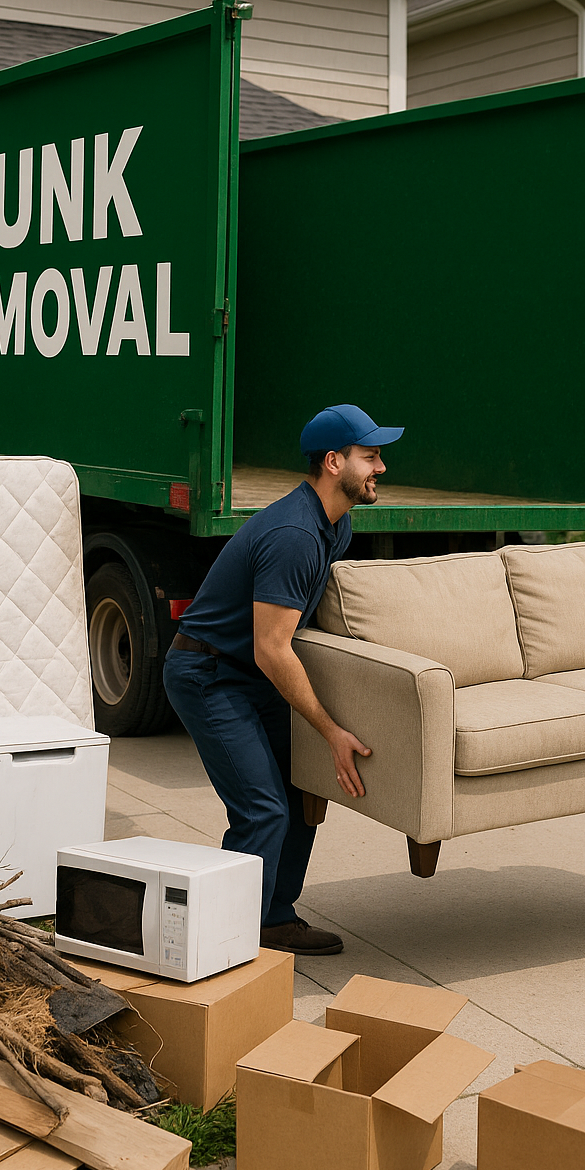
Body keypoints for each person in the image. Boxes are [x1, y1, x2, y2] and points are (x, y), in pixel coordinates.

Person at [163, 404, 403, 956]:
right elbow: (272, 650)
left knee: (298, 795)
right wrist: (329, 728)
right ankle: (224, 939)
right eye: (371, 457)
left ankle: (272, 917)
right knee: (261, 806)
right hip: (209, 673)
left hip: (246, 672)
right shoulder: (295, 533)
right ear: (333, 461)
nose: (380, 468)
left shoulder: (335, 525)